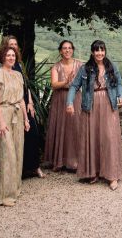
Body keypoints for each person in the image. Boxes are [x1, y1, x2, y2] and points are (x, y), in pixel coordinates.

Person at [66, 40, 122, 190]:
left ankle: (112, 175)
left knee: (109, 138)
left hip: (108, 104)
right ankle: (92, 172)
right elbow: (74, 86)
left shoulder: (111, 66)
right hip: (90, 106)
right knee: (92, 138)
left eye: (102, 50)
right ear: (92, 52)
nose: (100, 53)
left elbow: (119, 83)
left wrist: (121, 95)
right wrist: (69, 103)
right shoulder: (85, 69)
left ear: (105, 51)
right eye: (97, 50)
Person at [0, 36, 45, 179]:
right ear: (5, 48)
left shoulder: (20, 64)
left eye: (16, 45)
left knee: (32, 134)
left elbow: (25, 85)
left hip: (24, 103)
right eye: (11, 45)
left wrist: (30, 102)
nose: (14, 47)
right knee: (15, 138)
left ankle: (34, 166)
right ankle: (18, 170)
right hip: (10, 106)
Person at [0, 46, 30, 206]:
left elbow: (21, 99)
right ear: (2, 57)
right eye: (8, 55)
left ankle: (15, 190)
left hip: (18, 114)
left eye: (13, 55)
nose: (11, 58)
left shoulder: (18, 75)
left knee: (18, 152)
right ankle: (4, 196)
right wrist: (1, 121)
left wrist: (26, 119)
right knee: (7, 154)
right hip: (3, 113)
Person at [44, 40, 83, 171]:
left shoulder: (80, 65)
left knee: (76, 127)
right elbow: (54, 84)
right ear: (60, 51)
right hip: (60, 98)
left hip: (76, 98)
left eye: (70, 48)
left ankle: (77, 161)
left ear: (73, 50)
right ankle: (60, 160)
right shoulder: (56, 66)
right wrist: (66, 81)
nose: (67, 50)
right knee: (61, 127)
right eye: (64, 48)